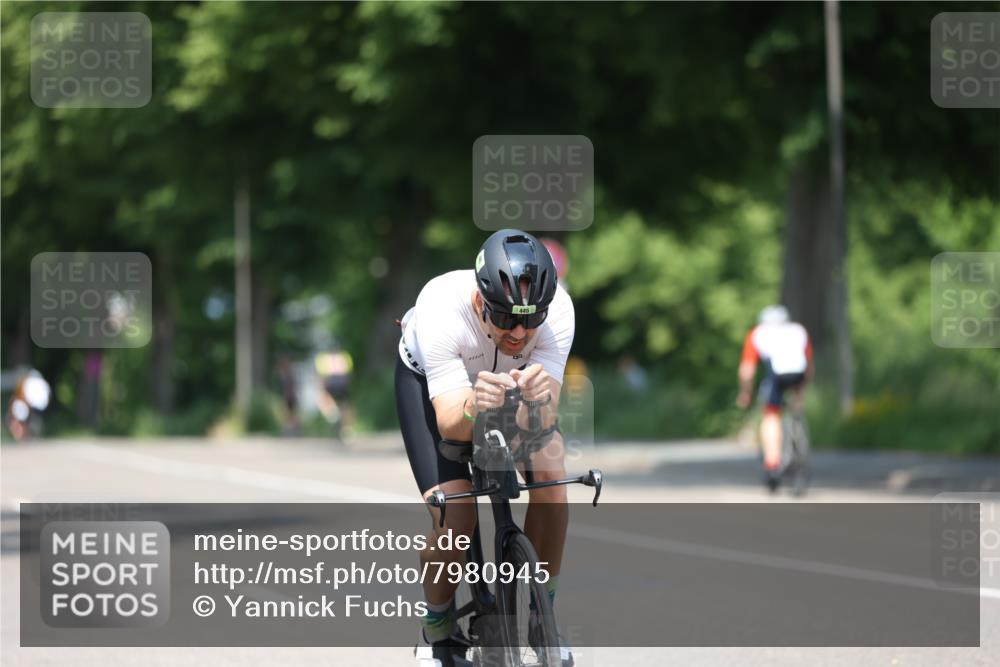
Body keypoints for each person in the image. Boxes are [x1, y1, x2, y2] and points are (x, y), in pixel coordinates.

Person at [395, 229, 575, 667]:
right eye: (506, 318)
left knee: (552, 484)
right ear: (480, 302)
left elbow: (544, 418)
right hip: (434, 388)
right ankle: (436, 627)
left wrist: (536, 403)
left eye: (531, 319)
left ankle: (542, 616)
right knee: (456, 515)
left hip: (507, 391)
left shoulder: (559, 312)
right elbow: (451, 424)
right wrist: (476, 406)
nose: (520, 333)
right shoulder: (441, 306)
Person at [736, 305, 813, 491]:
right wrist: (801, 393)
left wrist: (745, 393)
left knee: (770, 416)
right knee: (796, 408)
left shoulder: (758, 333)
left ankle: (772, 465)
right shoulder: (798, 330)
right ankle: (799, 431)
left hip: (776, 376)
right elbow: (809, 366)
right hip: (798, 374)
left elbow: (747, 370)